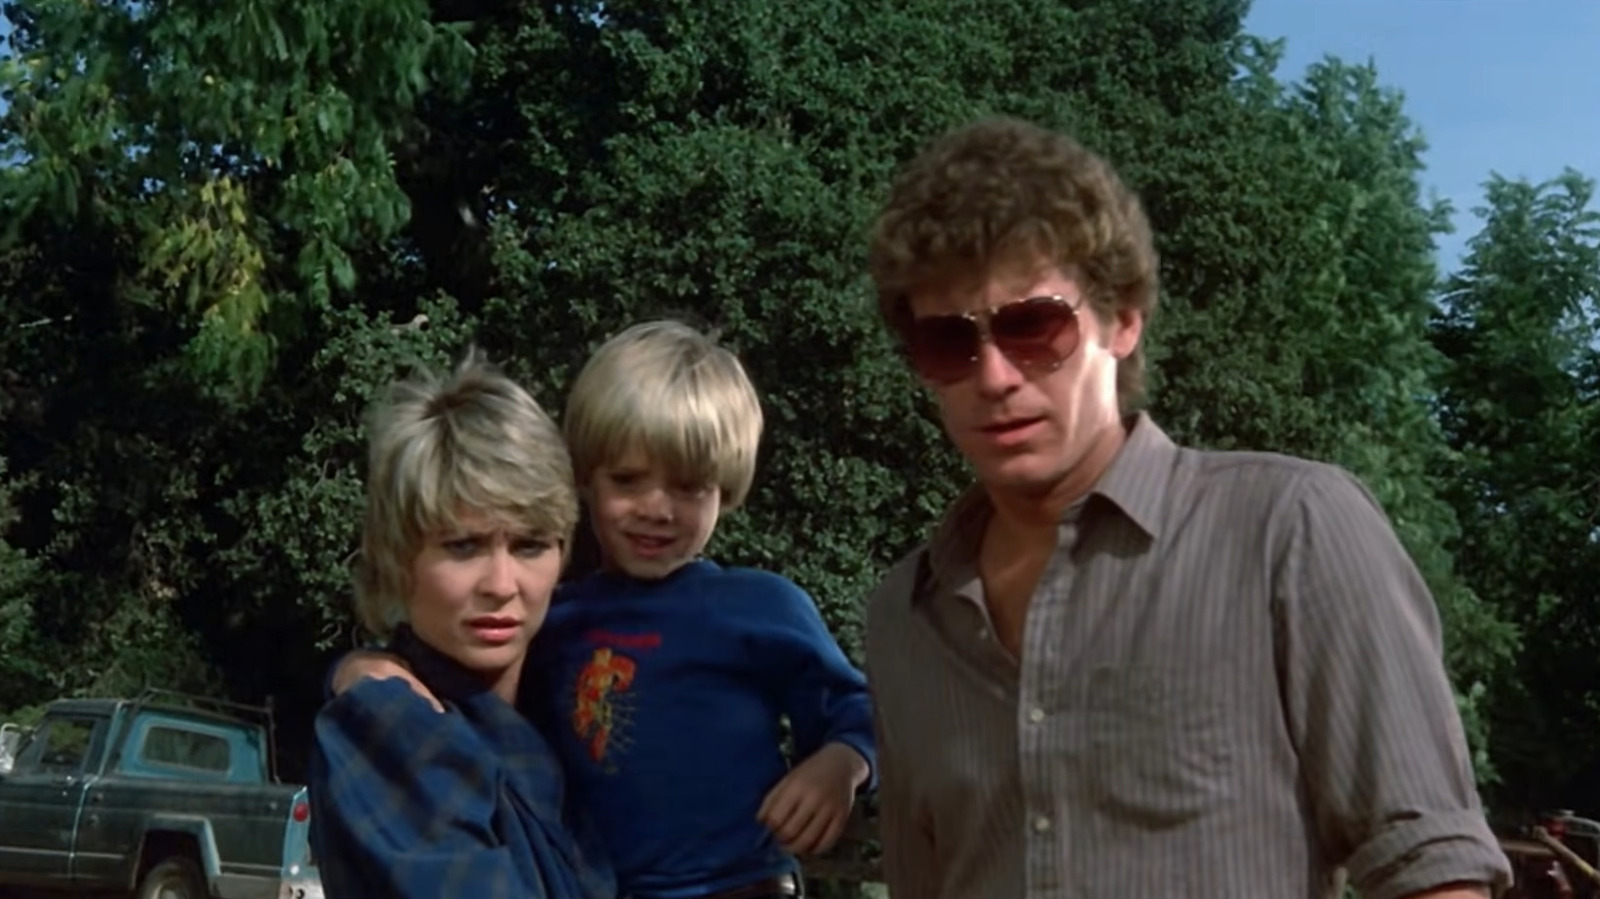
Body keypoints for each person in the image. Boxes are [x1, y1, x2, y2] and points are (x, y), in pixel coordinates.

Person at [861, 116, 1514, 899]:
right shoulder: (904, 615)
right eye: (948, 342)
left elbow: (1431, 865)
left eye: (1033, 326)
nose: (995, 376)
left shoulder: (1290, 528)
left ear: (1123, 320)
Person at [332, 320, 877, 899]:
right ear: (585, 478)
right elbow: (450, 682)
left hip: (741, 886)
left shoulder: (760, 607)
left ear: (728, 488)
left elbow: (864, 709)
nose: (657, 508)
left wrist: (843, 764)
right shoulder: (554, 620)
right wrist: (360, 666)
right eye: (628, 480)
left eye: (689, 486)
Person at [308, 351, 615, 899]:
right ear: (400, 558)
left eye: (530, 545)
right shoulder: (387, 721)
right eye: (463, 546)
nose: (501, 583)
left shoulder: (566, 707)